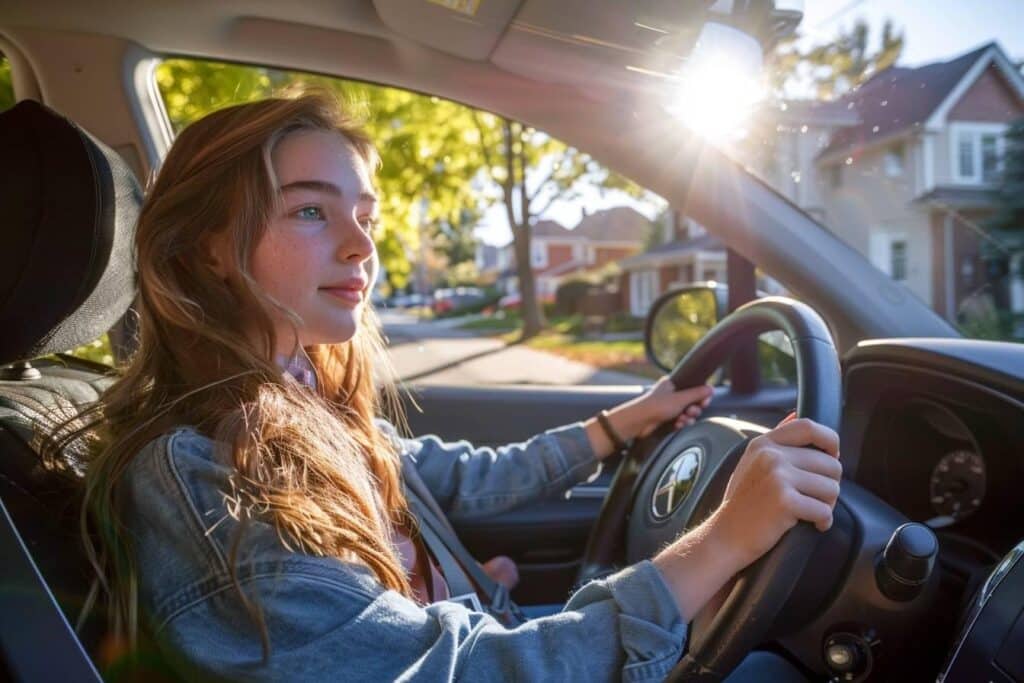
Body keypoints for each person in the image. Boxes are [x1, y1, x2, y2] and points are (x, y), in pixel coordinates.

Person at [64, 90, 841, 681]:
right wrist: (727, 539)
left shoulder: (298, 394)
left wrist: (621, 423)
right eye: (310, 210)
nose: (362, 244)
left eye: (365, 214)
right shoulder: (199, 473)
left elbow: (463, 478)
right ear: (205, 250)